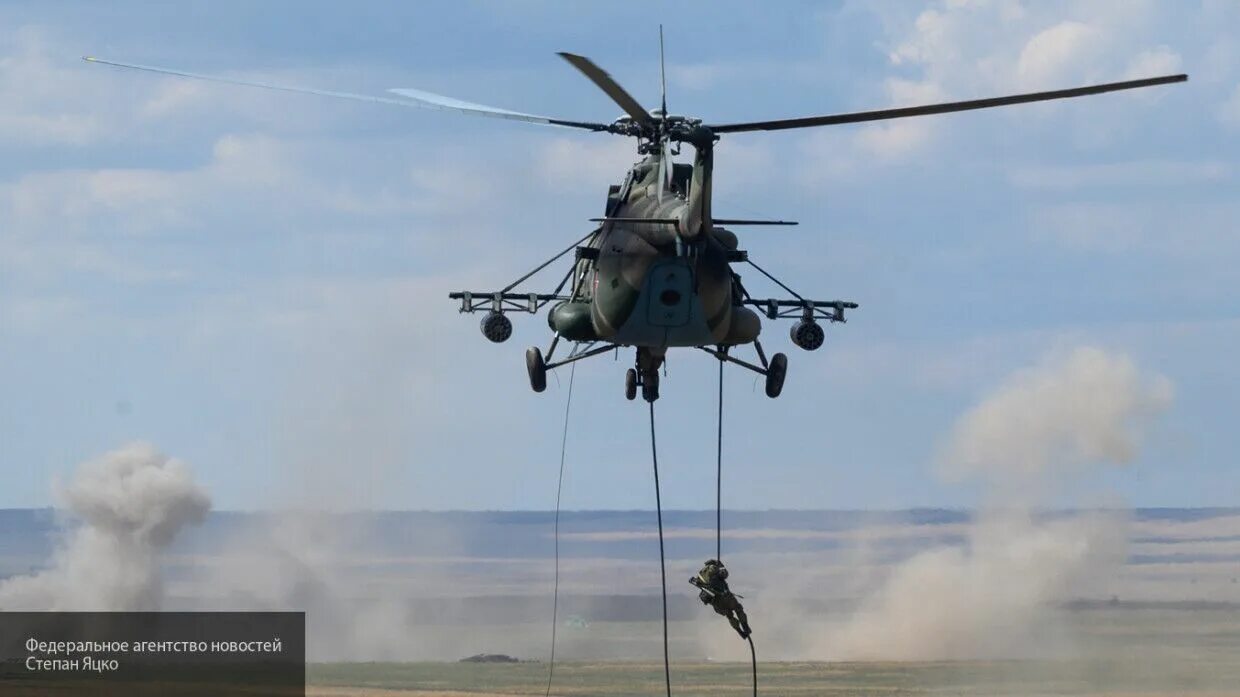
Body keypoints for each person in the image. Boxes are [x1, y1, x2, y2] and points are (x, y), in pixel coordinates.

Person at [689, 559, 751, 639]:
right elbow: (724, 575)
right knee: (738, 608)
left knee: (729, 615)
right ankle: (745, 627)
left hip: (715, 602)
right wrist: (721, 568)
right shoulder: (713, 568)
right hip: (724, 596)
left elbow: (704, 585)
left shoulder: (700, 575)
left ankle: (740, 632)